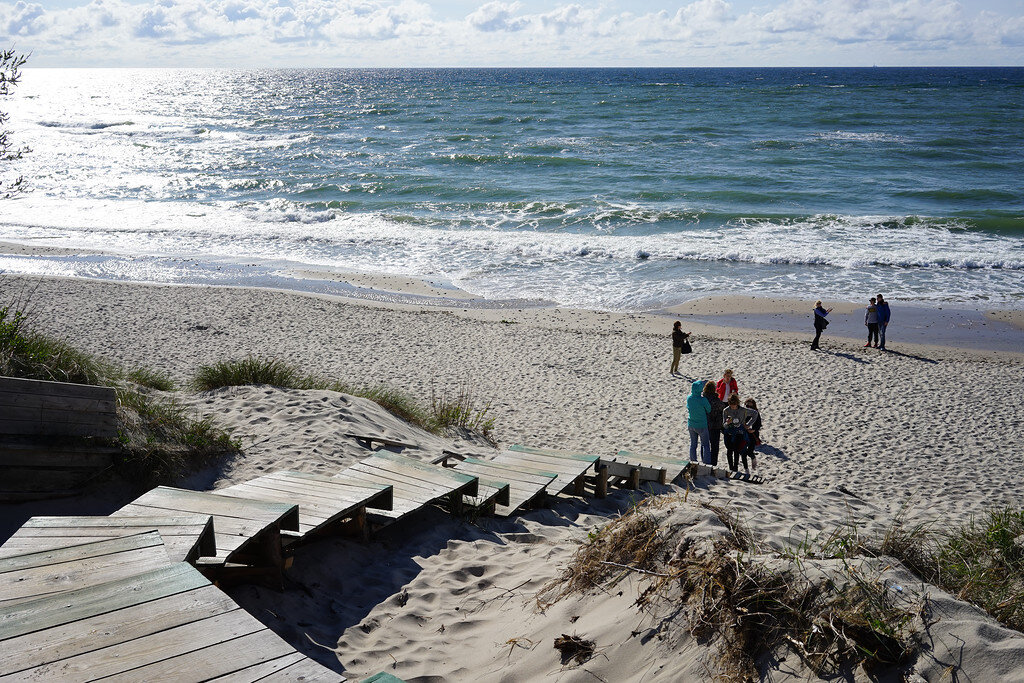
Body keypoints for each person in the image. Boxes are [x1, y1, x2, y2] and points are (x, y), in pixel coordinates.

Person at [686, 380, 712, 464]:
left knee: (693, 444)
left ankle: (693, 461)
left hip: (691, 424)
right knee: (705, 445)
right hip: (701, 425)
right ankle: (706, 462)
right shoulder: (703, 400)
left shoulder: (689, 398)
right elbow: (709, 409)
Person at [722, 395, 749, 472]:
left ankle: (735, 467)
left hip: (739, 433)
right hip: (729, 433)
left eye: (734, 405)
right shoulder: (726, 410)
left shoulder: (742, 410)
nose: (733, 407)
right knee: (729, 451)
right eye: (731, 405)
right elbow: (724, 425)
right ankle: (731, 468)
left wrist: (748, 425)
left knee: (736, 451)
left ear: (737, 403)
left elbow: (754, 413)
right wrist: (727, 423)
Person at [702, 381, 726, 467]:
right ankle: (713, 463)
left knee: (704, 445)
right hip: (716, 425)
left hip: (705, 424)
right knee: (714, 446)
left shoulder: (703, 399)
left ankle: (705, 462)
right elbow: (722, 408)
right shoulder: (716, 400)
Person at [743, 398, 761, 471]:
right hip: (744, 434)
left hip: (752, 434)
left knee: (750, 452)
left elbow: (758, 424)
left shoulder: (756, 413)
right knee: (743, 452)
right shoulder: (743, 412)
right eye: (747, 406)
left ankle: (753, 459)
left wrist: (753, 430)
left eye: (751, 406)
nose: (749, 407)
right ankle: (746, 468)